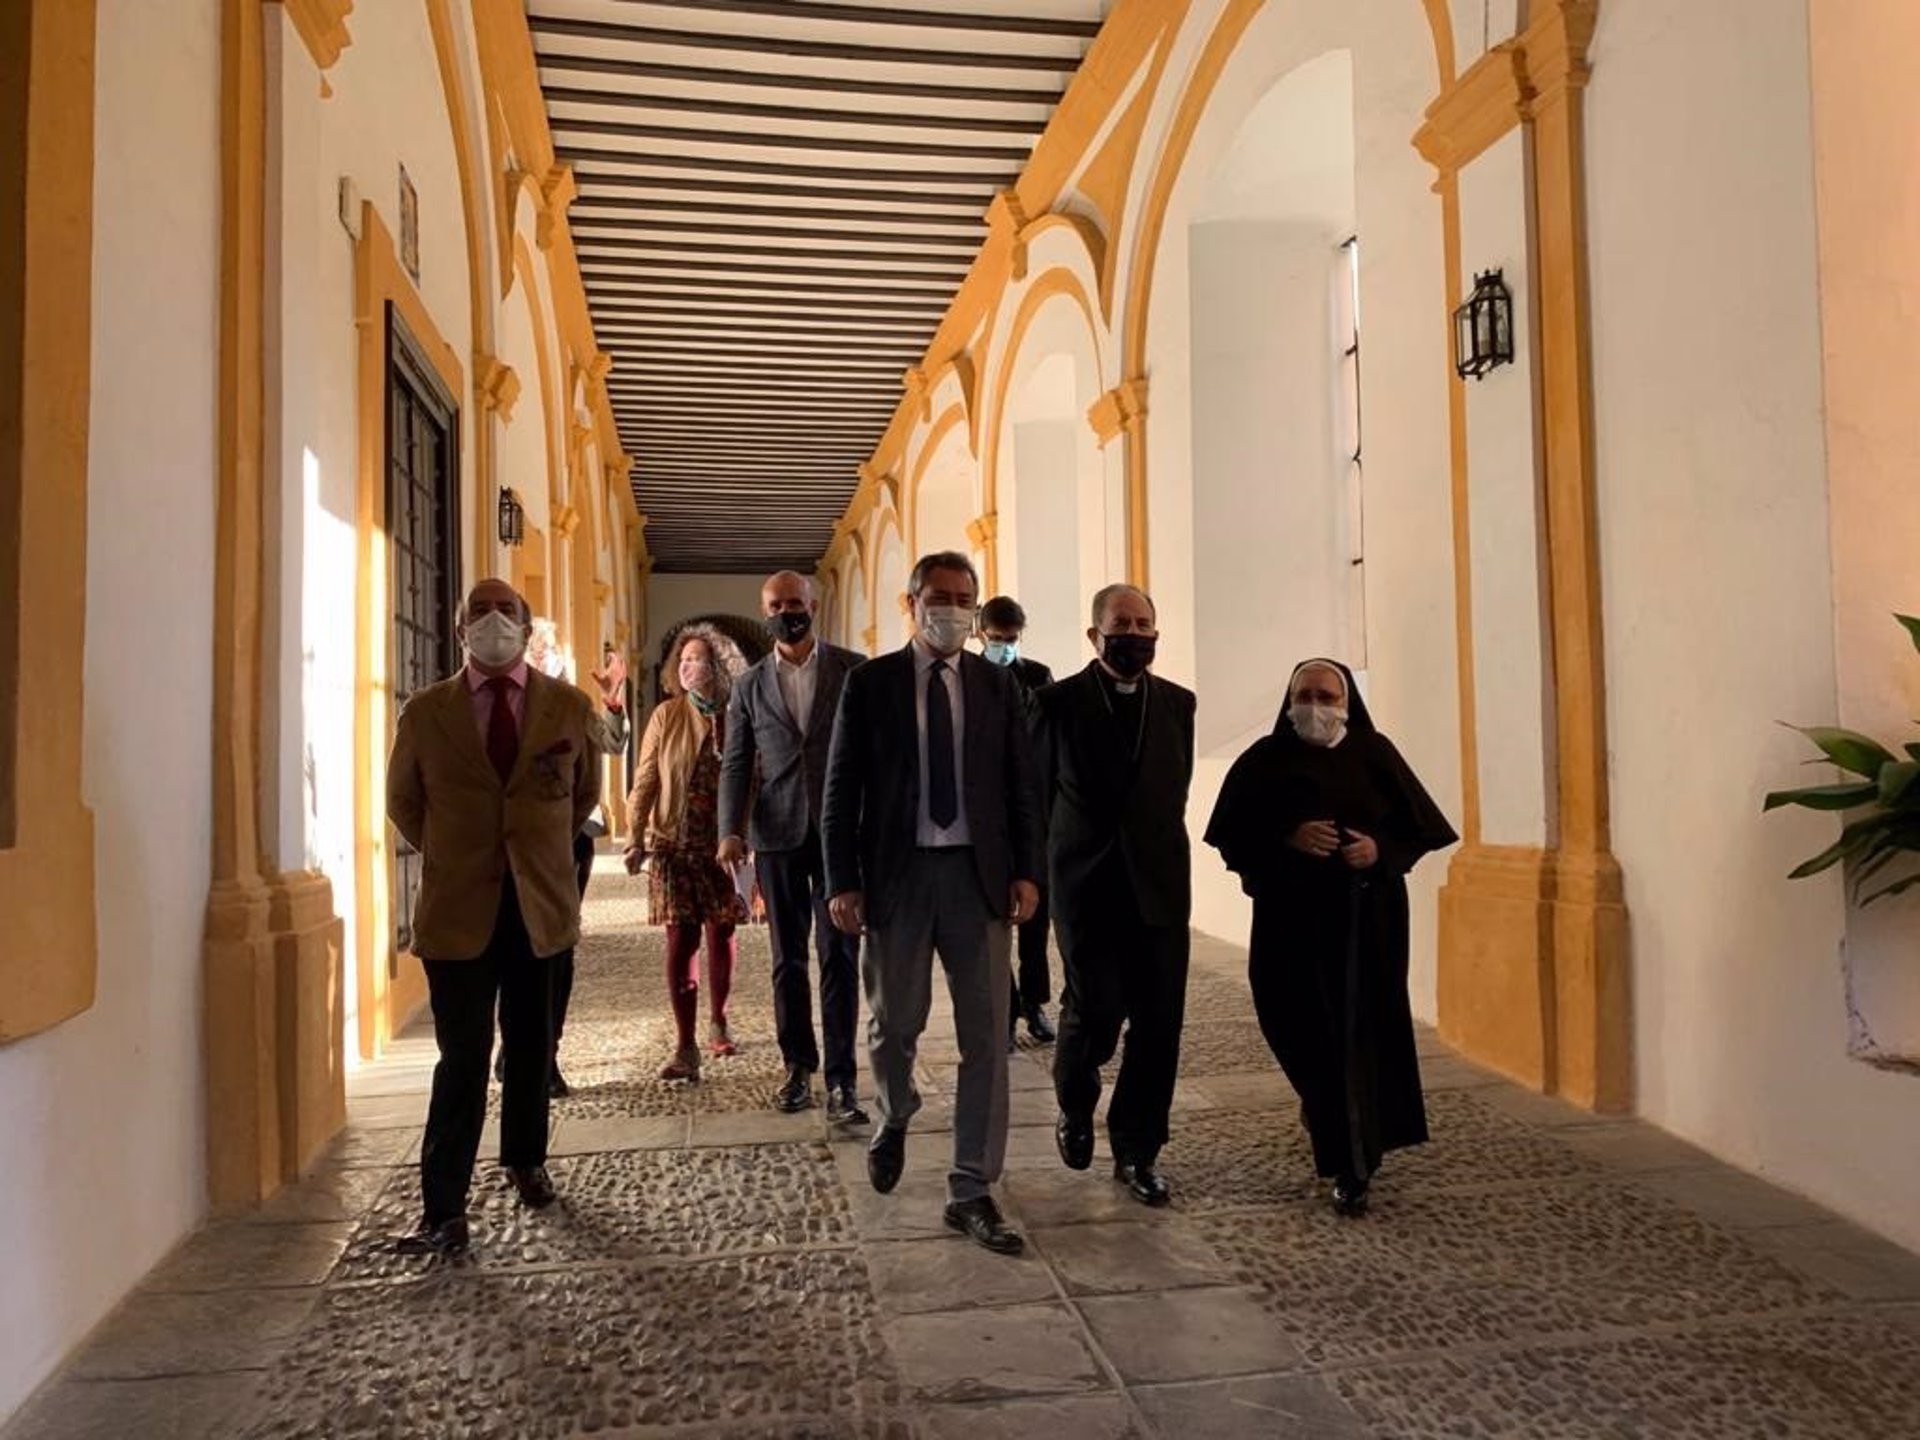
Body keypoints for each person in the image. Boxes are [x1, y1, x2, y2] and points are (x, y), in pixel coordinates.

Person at [822, 551, 1043, 1256]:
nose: (951, 610)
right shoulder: (871, 684)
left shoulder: (994, 686)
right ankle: (894, 1112)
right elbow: (840, 791)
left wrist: (1028, 872)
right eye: (939, 596)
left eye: (963, 599)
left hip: (978, 879)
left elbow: (1020, 786)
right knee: (895, 1023)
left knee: (989, 1037)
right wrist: (841, 881)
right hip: (899, 876)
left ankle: (971, 1186)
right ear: (911, 602)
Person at [385, 578, 601, 1256]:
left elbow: (583, 796)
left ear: (526, 625)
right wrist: (459, 853)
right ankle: (443, 1206)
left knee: (533, 1044)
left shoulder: (567, 706)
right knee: (463, 1056)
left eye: (506, 609)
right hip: (459, 909)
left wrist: (532, 854)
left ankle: (525, 1158)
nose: (494, 620)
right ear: (460, 631)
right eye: (480, 610)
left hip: (537, 903)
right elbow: (404, 802)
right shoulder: (426, 713)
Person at [1203, 658, 1457, 1216]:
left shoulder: (1376, 753)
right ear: (1290, 700)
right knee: (1294, 1024)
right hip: (1289, 922)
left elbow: (1420, 830)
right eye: (1305, 695)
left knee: (1359, 1036)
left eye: (1326, 695)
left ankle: (1353, 1161)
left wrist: (1379, 852)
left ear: (1346, 702)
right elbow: (1231, 835)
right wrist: (1287, 836)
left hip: (1367, 924)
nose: (1315, 706)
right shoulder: (1264, 759)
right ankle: (1328, 1114)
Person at [1033, 584, 1195, 1207]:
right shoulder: (1055, 704)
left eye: (1143, 623)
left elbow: (1170, 792)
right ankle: (1076, 1106)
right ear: (1094, 635)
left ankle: (1137, 1149)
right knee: (1093, 1011)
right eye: (1121, 623)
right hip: (1085, 884)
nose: (1134, 633)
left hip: (1159, 885)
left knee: (1159, 1025)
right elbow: (1036, 795)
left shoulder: (1179, 705)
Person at [718, 571, 869, 1123]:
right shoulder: (749, 685)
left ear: (815, 604)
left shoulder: (854, 670)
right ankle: (797, 1068)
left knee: (840, 955)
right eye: (777, 605)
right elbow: (736, 762)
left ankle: (843, 1080)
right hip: (776, 833)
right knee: (787, 960)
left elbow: (877, 752)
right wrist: (728, 830)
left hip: (841, 835)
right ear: (765, 611)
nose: (788, 612)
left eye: (796, 602)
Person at [495, 644, 628, 1098]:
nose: (545, 665)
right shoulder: (487, 704)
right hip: (506, 846)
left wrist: (612, 703)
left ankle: (544, 1051)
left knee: (556, 945)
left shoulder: (570, 706)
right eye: (538, 657)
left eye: (552, 658)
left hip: (568, 840)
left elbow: (611, 744)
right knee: (507, 940)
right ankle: (514, 1046)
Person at [624, 624, 750, 1082]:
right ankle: (685, 1045)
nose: (688, 666)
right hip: (673, 842)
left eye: (697, 659)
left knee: (722, 932)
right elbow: (646, 778)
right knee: (681, 939)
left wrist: (747, 834)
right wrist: (635, 835)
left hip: (724, 844)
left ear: (719, 665)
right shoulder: (666, 715)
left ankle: (718, 1018)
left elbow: (757, 777)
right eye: (683, 660)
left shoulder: (739, 713)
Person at [977, 595, 1058, 1046]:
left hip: (1035, 813)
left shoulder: (1038, 677)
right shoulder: (971, 678)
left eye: (1010, 639)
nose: (1003, 646)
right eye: (996, 639)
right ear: (981, 634)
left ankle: (1035, 1004)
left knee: (1036, 919)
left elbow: (1050, 739)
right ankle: (1003, 1011)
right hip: (990, 816)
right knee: (994, 921)